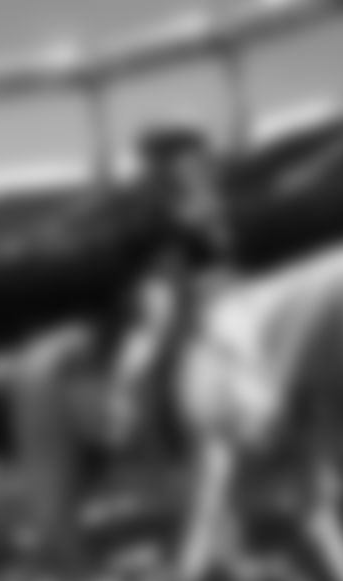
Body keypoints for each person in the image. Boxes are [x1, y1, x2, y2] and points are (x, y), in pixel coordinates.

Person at [104, 122, 238, 441]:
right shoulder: (144, 201)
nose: (179, 164)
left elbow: (220, 247)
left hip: (210, 280)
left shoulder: (206, 196)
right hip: (161, 281)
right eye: (168, 156)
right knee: (153, 325)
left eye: (183, 154)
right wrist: (174, 229)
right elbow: (131, 247)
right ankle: (122, 396)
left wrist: (210, 242)